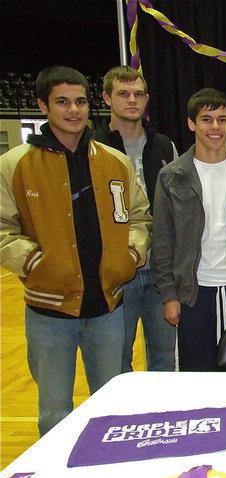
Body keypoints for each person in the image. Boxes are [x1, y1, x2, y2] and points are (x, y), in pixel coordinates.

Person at [0, 66, 150, 435]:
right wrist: (36, 262)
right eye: (62, 102)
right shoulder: (14, 165)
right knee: (54, 413)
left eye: (80, 101)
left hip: (108, 309)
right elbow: (3, 231)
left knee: (111, 407)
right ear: (42, 106)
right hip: (49, 312)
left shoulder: (115, 162)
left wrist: (129, 256)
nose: (73, 110)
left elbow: (140, 217)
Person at [151, 88, 226, 371]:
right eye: (206, 119)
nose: (215, 127)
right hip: (194, 293)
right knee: (197, 376)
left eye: (222, 120)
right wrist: (169, 295)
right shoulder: (172, 177)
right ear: (191, 123)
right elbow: (163, 240)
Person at [93, 65, 178, 372]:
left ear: (147, 100)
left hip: (160, 269)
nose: (132, 100)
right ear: (106, 98)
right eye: (123, 94)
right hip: (117, 269)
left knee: (165, 358)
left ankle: (164, 417)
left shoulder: (164, 145)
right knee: (117, 359)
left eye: (138, 94)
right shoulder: (93, 148)